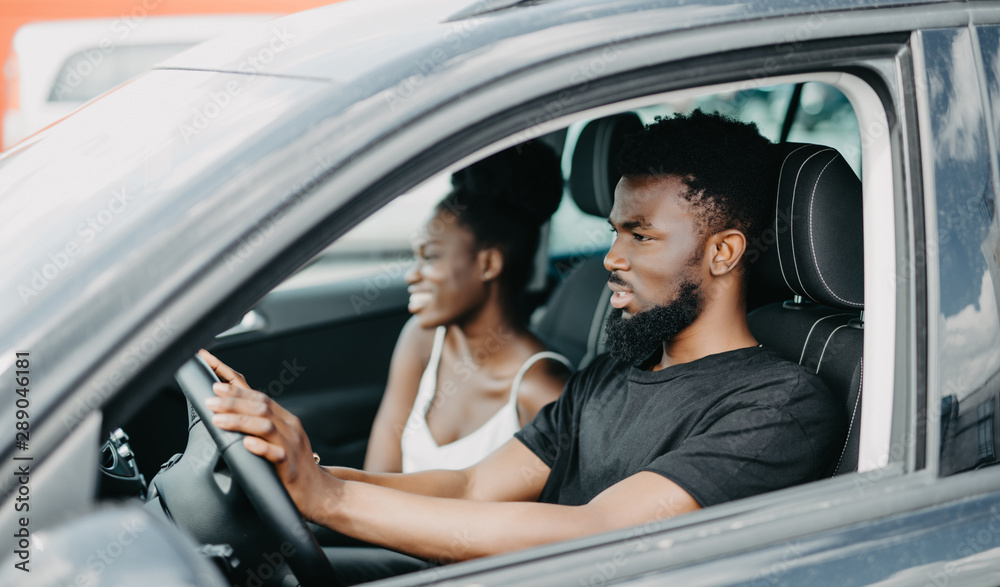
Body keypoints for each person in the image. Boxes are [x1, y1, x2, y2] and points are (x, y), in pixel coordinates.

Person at [201, 109, 845, 578]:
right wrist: (303, 472)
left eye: (641, 236)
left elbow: (595, 534)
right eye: (613, 231)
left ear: (723, 252)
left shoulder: (781, 405)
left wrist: (330, 499)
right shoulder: (617, 370)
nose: (611, 258)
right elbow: (474, 487)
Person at [365, 142, 571, 473]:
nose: (411, 275)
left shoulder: (541, 392)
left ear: (489, 263)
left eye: (430, 257)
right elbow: (377, 479)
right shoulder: (421, 341)